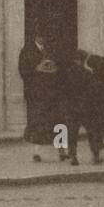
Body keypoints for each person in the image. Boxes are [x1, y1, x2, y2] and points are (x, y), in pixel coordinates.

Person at [19, 31, 64, 162]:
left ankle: (62, 151)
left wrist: (54, 68)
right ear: (36, 37)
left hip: (52, 93)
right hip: (36, 94)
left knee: (57, 122)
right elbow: (22, 70)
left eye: (45, 36)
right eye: (41, 36)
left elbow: (59, 67)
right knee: (37, 124)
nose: (44, 39)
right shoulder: (27, 51)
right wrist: (36, 69)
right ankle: (36, 152)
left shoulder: (50, 49)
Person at [62, 50, 104, 166]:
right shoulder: (88, 74)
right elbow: (94, 92)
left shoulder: (67, 74)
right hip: (86, 108)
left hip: (72, 108)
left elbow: (63, 93)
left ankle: (73, 157)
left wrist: (66, 107)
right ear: (82, 60)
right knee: (91, 132)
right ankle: (95, 156)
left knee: (72, 133)